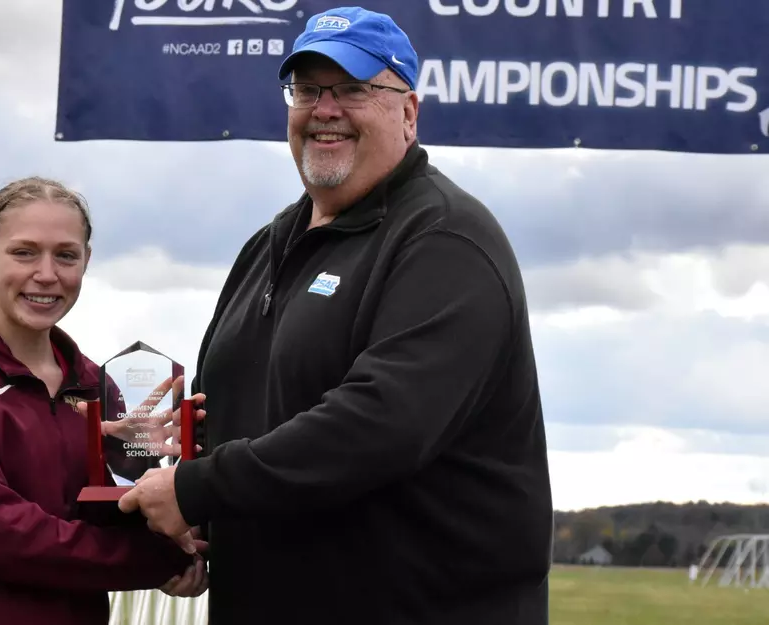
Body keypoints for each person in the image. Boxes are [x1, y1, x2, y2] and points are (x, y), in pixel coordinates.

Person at [118, 6, 554, 624]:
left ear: (408, 112)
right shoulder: (269, 244)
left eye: (354, 89)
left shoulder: (446, 239)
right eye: (307, 89)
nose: (325, 108)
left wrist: (196, 492)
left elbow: (381, 425)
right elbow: (239, 417)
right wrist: (198, 526)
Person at [0, 176, 208, 624]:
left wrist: (177, 521)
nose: (46, 274)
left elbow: (97, 509)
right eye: (24, 252)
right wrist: (156, 559)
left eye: (66, 256)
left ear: (86, 262)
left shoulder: (96, 383)